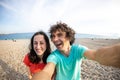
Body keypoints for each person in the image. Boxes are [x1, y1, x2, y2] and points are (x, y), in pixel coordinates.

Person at [31, 22, 120, 80]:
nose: (54, 39)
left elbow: (96, 55)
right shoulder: (54, 56)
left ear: (69, 37)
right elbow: (47, 71)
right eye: (53, 36)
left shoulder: (78, 50)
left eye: (59, 35)